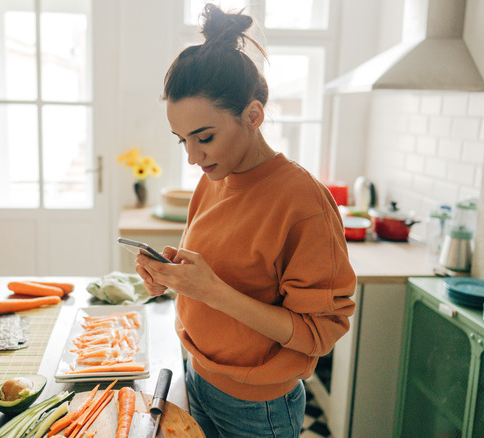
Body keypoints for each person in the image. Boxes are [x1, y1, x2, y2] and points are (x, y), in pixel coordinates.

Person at [135, 4, 357, 437]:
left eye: (205, 137)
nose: (193, 157)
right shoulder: (215, 177)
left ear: (253, 116)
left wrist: (212, 291)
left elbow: (319, 333)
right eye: (183, 140)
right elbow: (220, 271)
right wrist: (171, 278)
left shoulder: (303, 203)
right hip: (197, 376)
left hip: (259, 408)